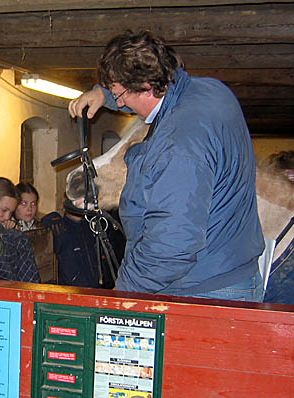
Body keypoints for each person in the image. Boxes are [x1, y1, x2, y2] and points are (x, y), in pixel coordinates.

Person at [68, 30, 264, 301]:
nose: (120, 102)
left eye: (120, 94)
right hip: (229, 268)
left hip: (201, 289)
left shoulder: (179, 145)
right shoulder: (211, 91)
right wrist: (105, 95)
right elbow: (158, 98)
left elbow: (172, 243)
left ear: (147, 86)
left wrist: (124, 291)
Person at [42, 205, 125, 289]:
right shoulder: (59, 228)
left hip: (96, 287)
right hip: (72, 290)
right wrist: (52, 219)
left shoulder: (91, 226)